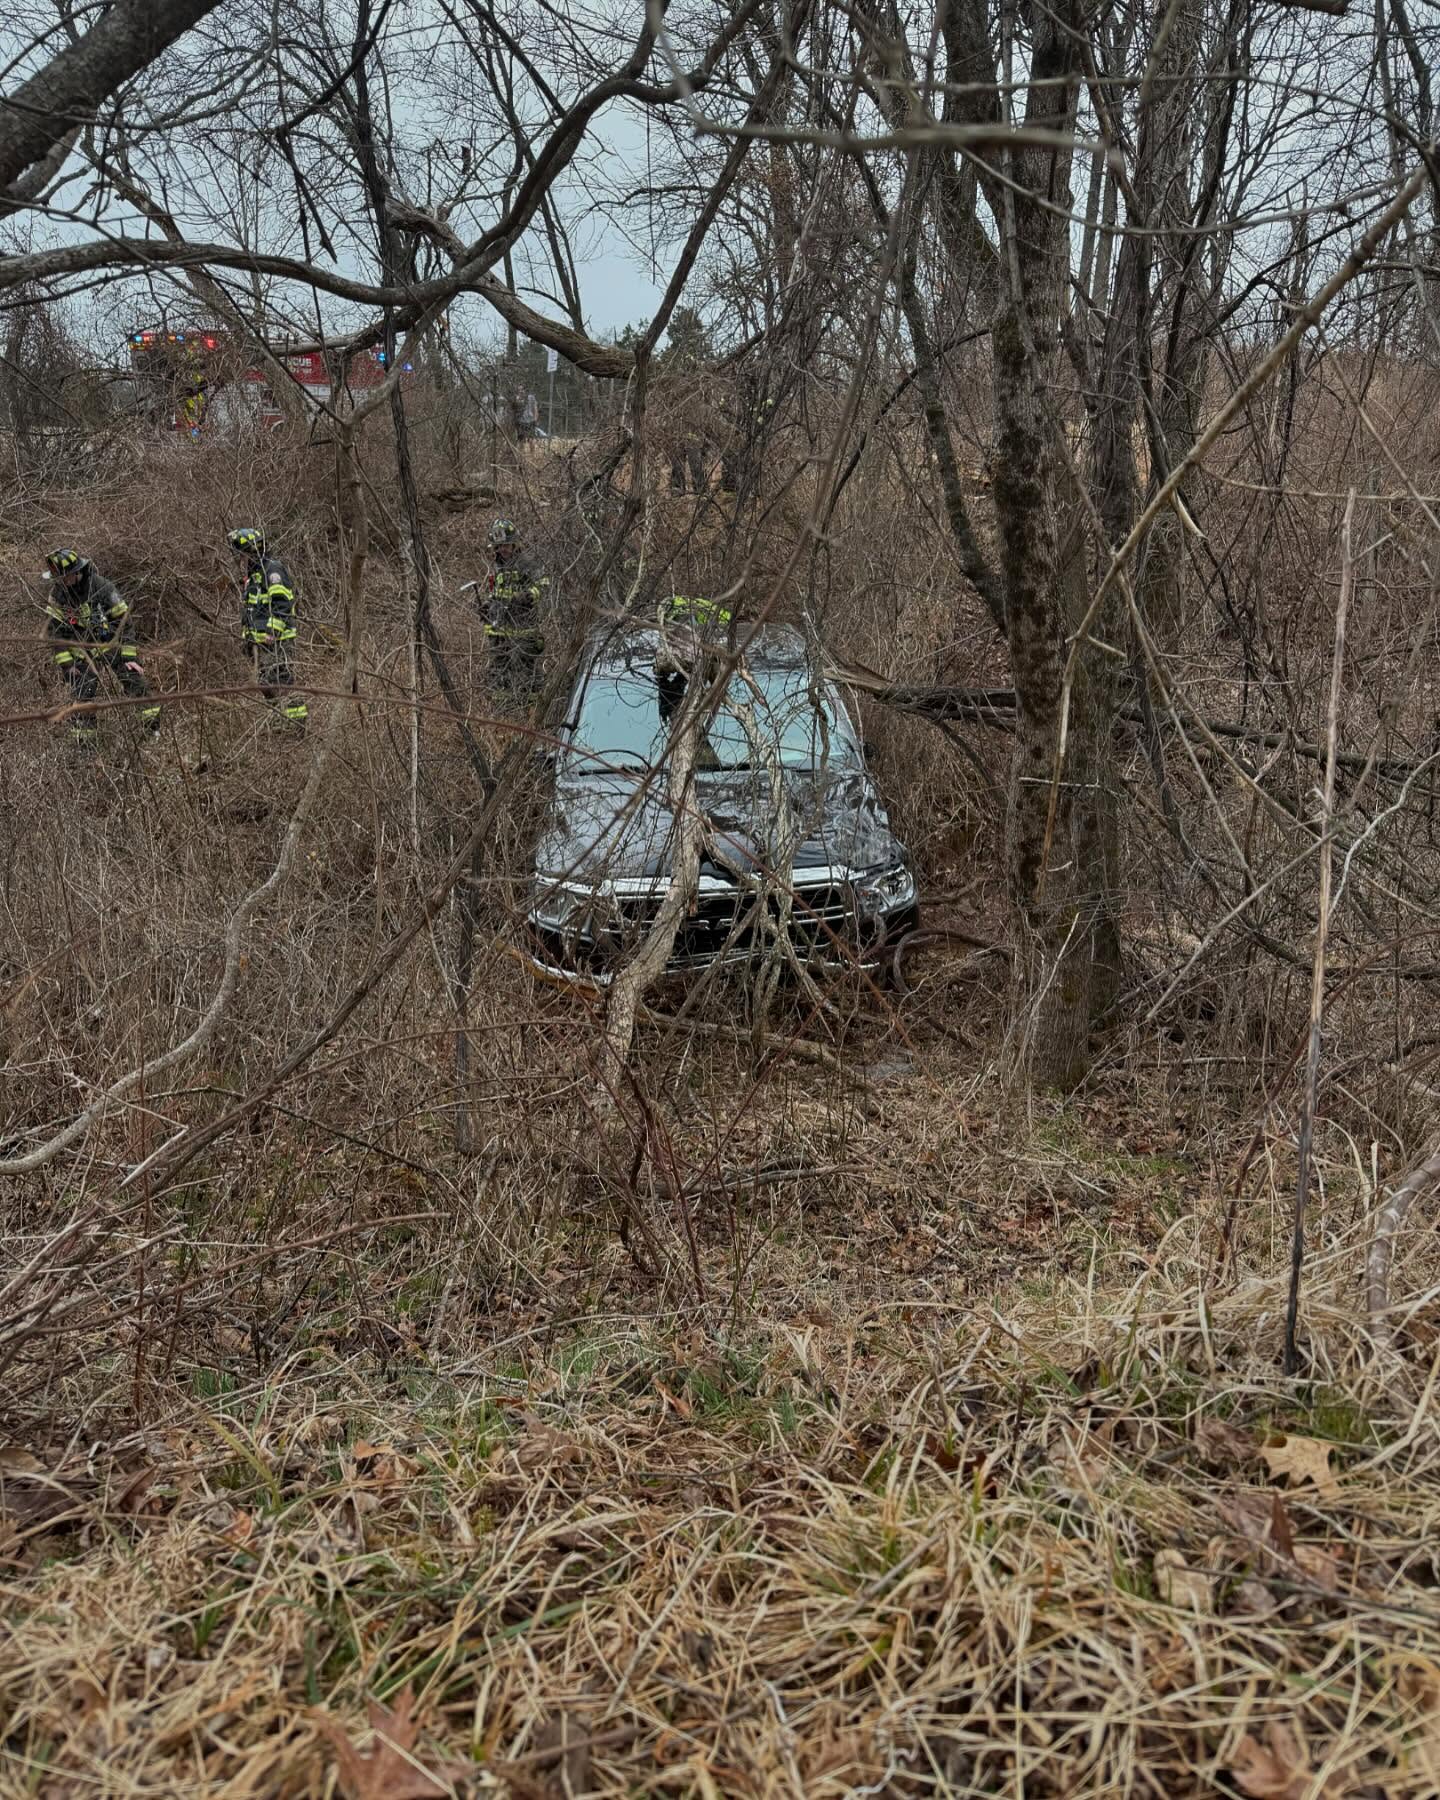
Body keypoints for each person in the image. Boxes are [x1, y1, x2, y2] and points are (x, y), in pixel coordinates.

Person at [43, 548, 160, 751]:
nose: (60, 582)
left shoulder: (102, 587)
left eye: (64, 577)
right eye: (58, 579)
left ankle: (153, 731)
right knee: (83, 695)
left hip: (110, 644)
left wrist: (129, 657)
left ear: (76, 572)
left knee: (134, 681)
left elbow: (124, 622)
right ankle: (85, 746)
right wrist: (68, 666)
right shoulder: (57, 595)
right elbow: (55, 635)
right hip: (82, 652)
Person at [227, 527, 307, 729]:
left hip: (277, 640)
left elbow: (282, 603)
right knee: (266, 683)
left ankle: (297, 724)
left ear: (252, 552)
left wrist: (273, 632)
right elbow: (253, 610)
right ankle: (279, 720)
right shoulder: (254, 575)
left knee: (282, 681)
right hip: (260, 642)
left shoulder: (272, 570)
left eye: (243, 554)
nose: (241, 559)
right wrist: (248, 638)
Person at [482, 517, 548, 696]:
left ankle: (532, 704)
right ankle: (502, 707)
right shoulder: (497, 566)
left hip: (523, 631)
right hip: (498, 633)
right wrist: (487, 606)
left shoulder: (527, 563)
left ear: (514, 544)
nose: (503, 549)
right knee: (498, 676)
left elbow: (544, 585)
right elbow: (496, 593)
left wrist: (528, 596)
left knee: (525, 675)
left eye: (506, 545)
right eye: (499, 546)